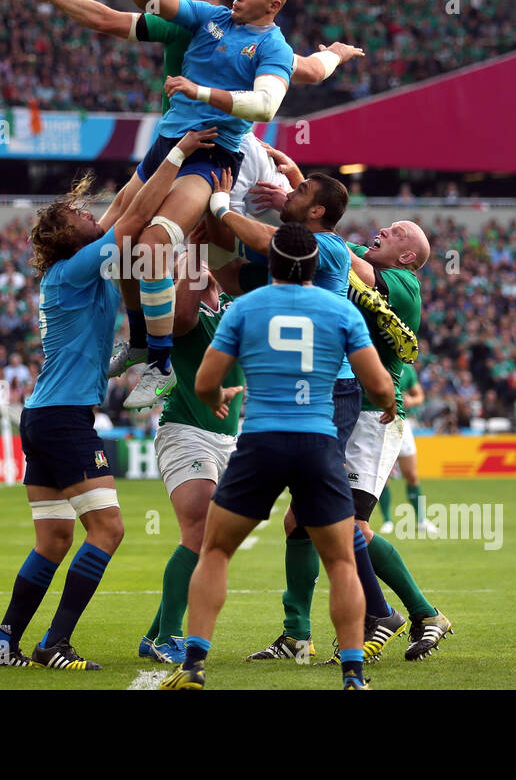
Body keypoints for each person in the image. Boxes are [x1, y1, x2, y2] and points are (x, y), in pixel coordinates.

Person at [30, 0, 362, 396]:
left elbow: (264, 106)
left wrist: (197, 90)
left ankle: (163, 362)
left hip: (212, 152)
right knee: (115, 242)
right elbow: (142, 1)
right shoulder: (208, 18)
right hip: (168, 144)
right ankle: (139, 341)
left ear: (273, 5)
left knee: (153, 246)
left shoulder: (267, 45)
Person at [0, 125, 219, 671]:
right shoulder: (77, 267)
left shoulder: (72, 271)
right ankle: (54, 643)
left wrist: (157, 154)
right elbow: (131, 221)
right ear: (69, 239)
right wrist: (180, 153)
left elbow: (119, 208)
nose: (92, 217)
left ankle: (5, 642)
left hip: (43, 416)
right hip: (64, 420)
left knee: (53, 540)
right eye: (79, 219)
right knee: (108, 529)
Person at [160, 223, 395, 690]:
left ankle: (193, 665)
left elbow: (206, 380)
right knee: (342, 561)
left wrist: (215, 399)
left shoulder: (245, 308)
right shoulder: (339, 309)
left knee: (216, 549)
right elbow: (380, 384)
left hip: (261, 444)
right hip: (317, 446)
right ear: (319, 264)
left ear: (271, 263)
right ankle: (352, 674)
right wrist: (388, 404)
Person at [206, 167, 411, 662]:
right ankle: (315, 634)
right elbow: (234, 262)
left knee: (322, 521)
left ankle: (370, 620)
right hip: (312, 392)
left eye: (300, 192)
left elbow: (269, 237)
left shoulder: (336, 250)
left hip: (333, 392)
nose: (291, 194)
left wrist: (219, 207)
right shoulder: (309, 257)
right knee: (308, 520)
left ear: (318, 211)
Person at [340, 230, 452, 662]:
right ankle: (415, 614)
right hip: (347, 408)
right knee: (310, 521)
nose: (383, 229)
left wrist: (315, 223)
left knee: (347, 524)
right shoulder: (370, 270)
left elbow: (351, 262)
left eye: (396, 232)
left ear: (407, 255)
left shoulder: (404, 282)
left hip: (374, 415)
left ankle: (402, 613)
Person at [137, 251, 242, 665]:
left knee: (213, 542)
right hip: (185, 430)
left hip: (228, 438)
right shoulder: (181, 306)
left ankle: (153, 635)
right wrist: (191, 268)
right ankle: (169, 637)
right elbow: (181, 320)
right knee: (197, 533)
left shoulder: (232, 304)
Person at [379, 363, 438, 536]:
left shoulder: (407, 369)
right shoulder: (377, 361)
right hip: (378, 421)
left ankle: (421, 520)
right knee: (383, 476)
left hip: (400, 423)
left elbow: (419, 395)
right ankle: (387, 520)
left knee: (411, 474)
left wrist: (411, 400)